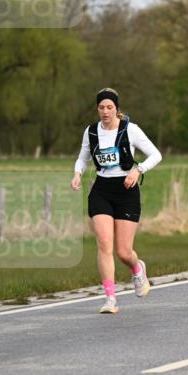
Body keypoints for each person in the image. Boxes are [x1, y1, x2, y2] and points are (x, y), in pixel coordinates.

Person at [71, 88, 162, 314]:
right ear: (97, 109)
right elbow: (83, 158)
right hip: (101, 189)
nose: (105, 111)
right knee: (103, 243)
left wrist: (138, 170)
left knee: (123, 251)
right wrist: (77, 173)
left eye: (109, 107)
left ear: (116, 109)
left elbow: (156, 154)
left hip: (126, 191)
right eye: (101, 107)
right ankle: (110, 299)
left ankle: (137, 268)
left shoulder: (130, 130)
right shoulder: (91, 132)